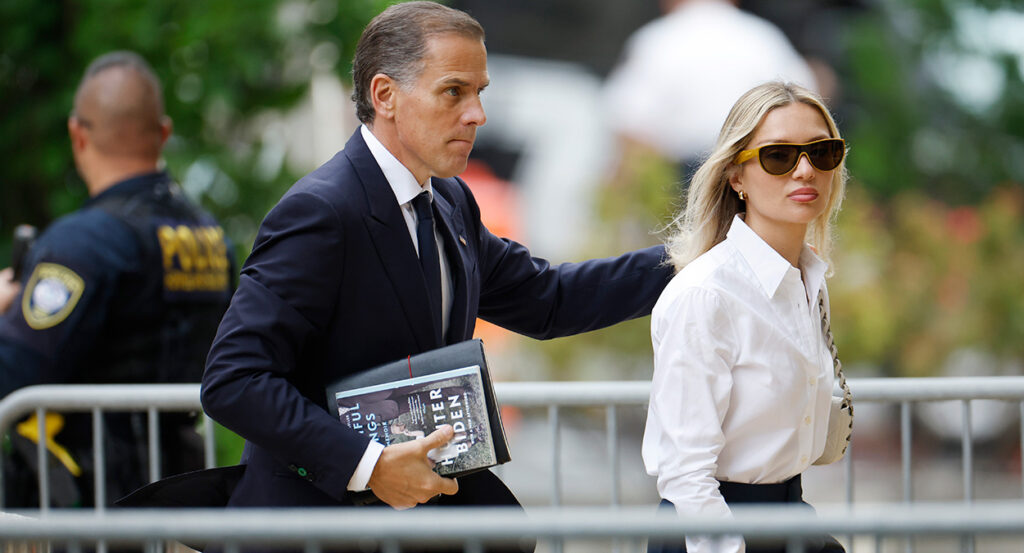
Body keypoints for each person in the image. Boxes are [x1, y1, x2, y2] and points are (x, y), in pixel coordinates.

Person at [199, 2, 673, 551]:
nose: (477, 114)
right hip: (319, 525)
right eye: (454, 92)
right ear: (385, 96)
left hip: (417, 518)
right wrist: (369, 465)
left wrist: (693, 258)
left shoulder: (449, 201)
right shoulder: (323, 212)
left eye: (480, 92)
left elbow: (548, 300)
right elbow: (234, 379)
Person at [0, 51, 234, 507]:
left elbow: (12, 373)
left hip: (89, 503)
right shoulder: (210, 236)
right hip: (183, 492)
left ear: (76, 134)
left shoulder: (84, 243)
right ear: (163, 133)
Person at [643, 81, 848, 553]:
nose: (805, 170)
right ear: (736, 176)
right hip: (710, 533)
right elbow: (686, 473)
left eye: (823, 152)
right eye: (779, 156)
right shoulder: (706, 296)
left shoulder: (809, 279)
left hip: (789, 517)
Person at [603, 0, 818, 175]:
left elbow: (628, 122)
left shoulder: (657, 40)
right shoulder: (762, 37)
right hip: (759, 168)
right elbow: (807, 98)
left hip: (683, 178)